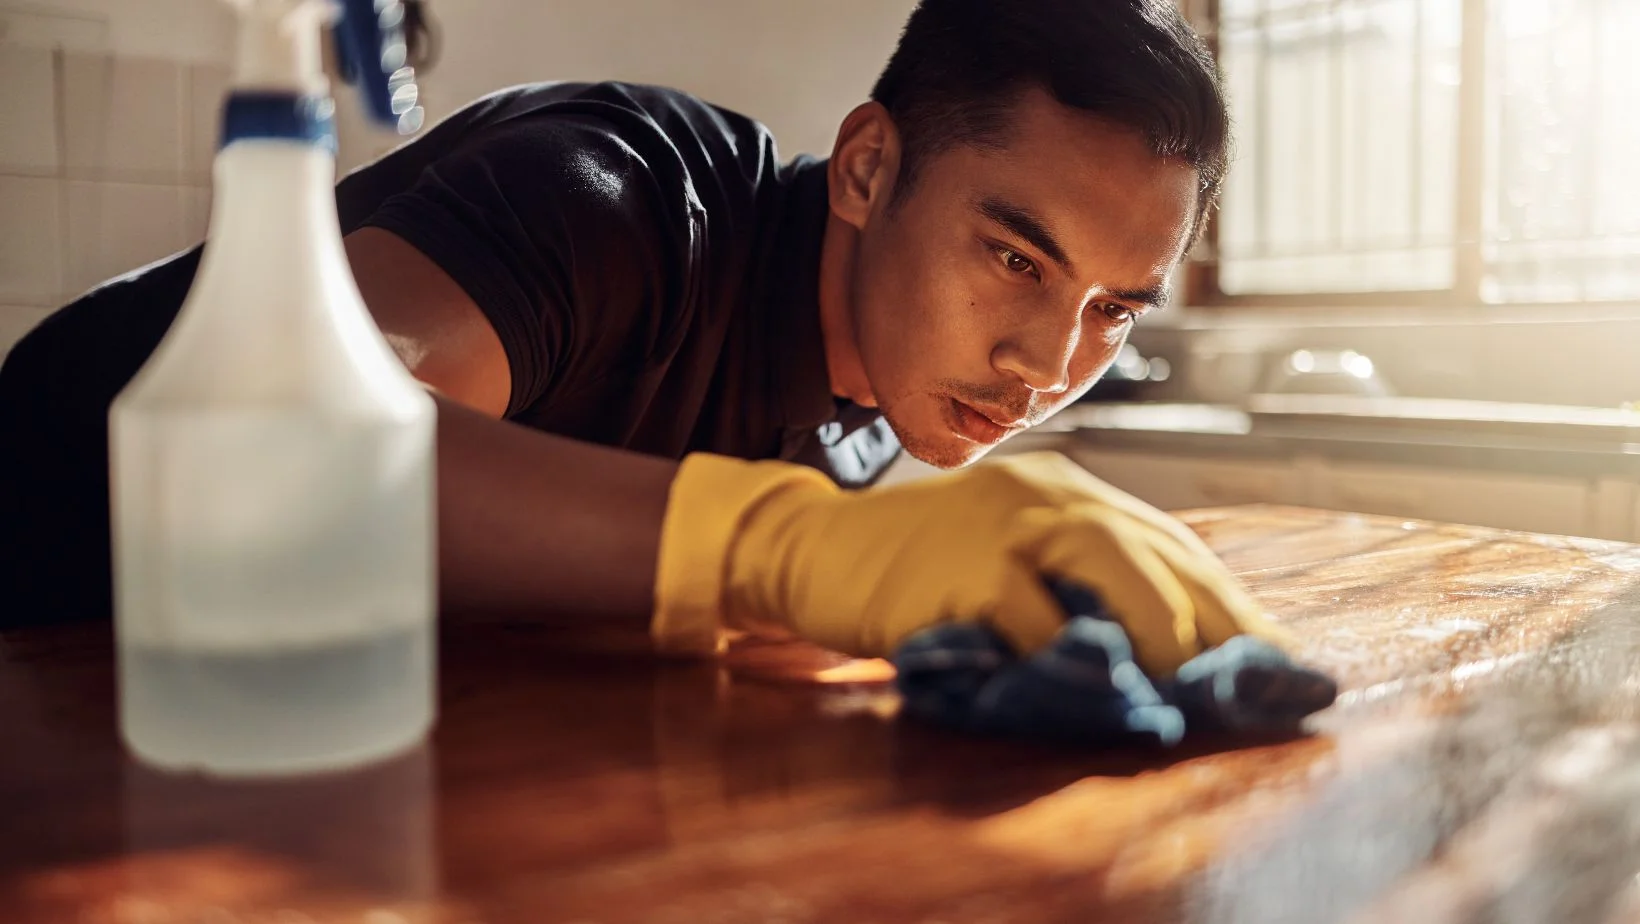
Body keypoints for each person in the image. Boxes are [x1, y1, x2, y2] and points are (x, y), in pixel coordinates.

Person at [0, 0, 1287, 675]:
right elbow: (283, 450)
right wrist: (784, 551)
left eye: (1113, 311)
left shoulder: (862, 414)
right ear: (865, 166)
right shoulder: (612, 197)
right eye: (1014, 258)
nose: (1047, 363)